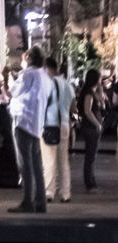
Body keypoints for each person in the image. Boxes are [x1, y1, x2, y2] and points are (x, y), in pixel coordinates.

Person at [8, 46, 52, 213]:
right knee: (36, 165)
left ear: (29, 59)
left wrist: (10, 79)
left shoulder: (27, 74)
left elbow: (14, 91)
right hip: (36, 123)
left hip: (23, 121)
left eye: (24, 58)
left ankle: (28, 201)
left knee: (25, 165)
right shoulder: (45, 76)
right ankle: (40, 202)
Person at [42, 56, 75, 203]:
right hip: (65, 125)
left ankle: (49, 192)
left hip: (50, 125)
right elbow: (74, 106)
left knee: (49, 161)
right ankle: (65, 193)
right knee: (64, 161)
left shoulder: (47, 84)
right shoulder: (68, 85)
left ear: (48, 68)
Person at [78, 68, 104, 193]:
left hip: (92, 127)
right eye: (99, 77)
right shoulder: (88, 93)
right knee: (90, 156)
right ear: (95, 79)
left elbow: (102, 103)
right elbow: (87, 111)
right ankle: (90, 184)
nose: (101, 80)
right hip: (90, 127)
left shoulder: (92, 92)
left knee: (92, 156)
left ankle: (92, 182)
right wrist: (97, 124)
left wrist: (100, 89)